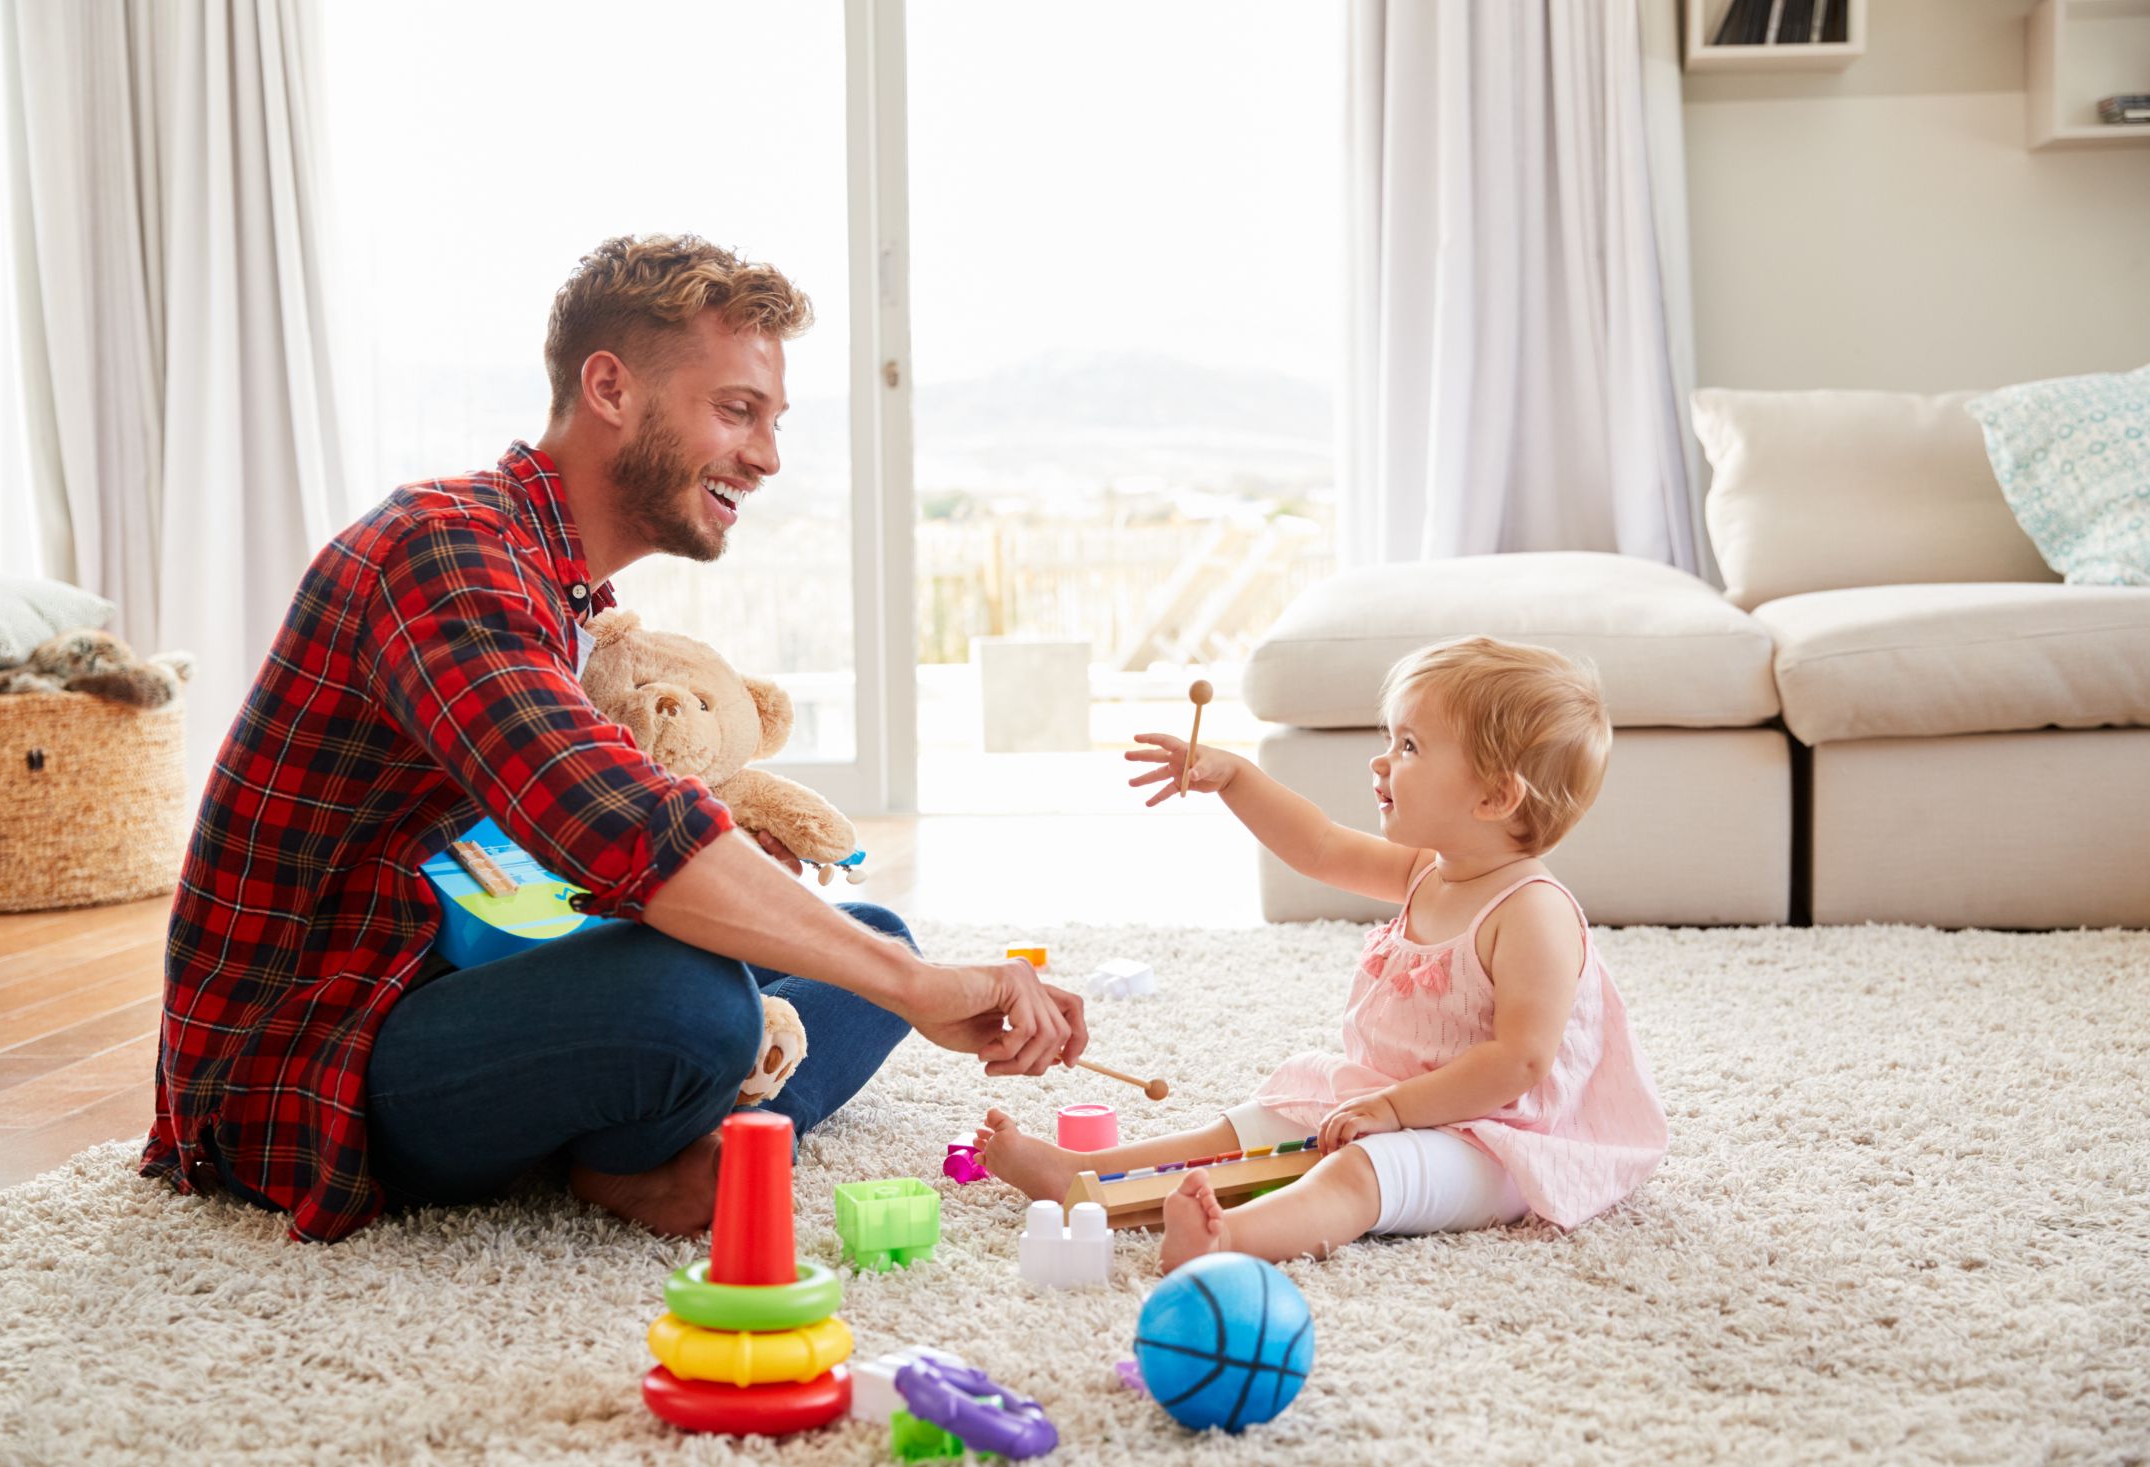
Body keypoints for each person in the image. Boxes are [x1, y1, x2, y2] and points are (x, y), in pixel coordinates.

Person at [143, 234, 1087, 1244]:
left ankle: (688, 1146)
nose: (767, 457)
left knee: (868, 938)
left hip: (436, 969)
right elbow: (618, 824)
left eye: (772, 421)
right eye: (736, 411)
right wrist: (915, 988)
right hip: (306, 1061)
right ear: (610, 389)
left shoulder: (555, 584)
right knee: (696, 1001)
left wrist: (857, 952)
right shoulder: (444, 551)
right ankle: (660, 1144)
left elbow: (552, 850)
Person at [976, 636, 1665, 1270]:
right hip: (1392, 1099)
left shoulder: (1533, 913)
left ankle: (1228, 1239)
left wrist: (1394, 1111)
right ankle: (1084, 1175)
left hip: (1502, 1139)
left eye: (1410, 746)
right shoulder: (1427, 870)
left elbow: (1519, 1062)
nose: (1381, 761)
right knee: (1255, 1121)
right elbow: (1319, 846)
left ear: (1495, 796)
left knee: (1359, 1175)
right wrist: (1234, 777)